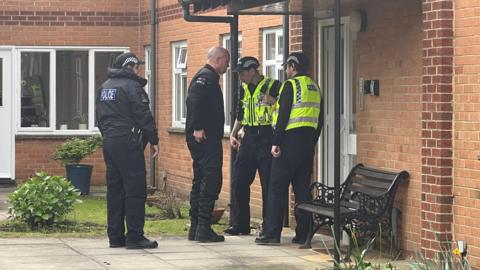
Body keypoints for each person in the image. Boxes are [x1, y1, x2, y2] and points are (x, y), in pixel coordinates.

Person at [255, 52, 323, 245]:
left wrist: (276, 142)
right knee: (302, 190)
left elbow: (283, 115)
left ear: (293, 66)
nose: (286, 70)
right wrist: (312, 141)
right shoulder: (315, 87)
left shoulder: (290, 85)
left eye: (287, 66)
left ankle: (271, 234)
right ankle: (303, 233)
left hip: (287, 144)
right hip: (307, 145)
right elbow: (320, 120)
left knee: (277, 188)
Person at [96, 52, 159, 249]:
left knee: (115, 189)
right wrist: (153, 139)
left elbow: (99, 117)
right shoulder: (133, 87)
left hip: (109, 141)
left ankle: (115, 236)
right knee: (135, 189)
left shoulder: (105, 87)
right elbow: (143, 115)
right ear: (130, 67)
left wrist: (109, 135)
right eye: (136, 66)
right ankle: (135, 236)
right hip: (128, 141)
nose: (138, 69)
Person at [224, 56, 280, 236]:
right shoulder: (242, 90)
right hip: (248, 138)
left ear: (252, 70)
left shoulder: (274, 85)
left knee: (268, 184)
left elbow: (285, 108)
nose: (239, 76)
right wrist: (233, 134)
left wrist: (273, 101)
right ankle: (240, 224)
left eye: (242, 72)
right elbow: (241, 115)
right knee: (239, 180)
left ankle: (268, 226)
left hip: (266, 137)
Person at [185, 47, 230, 242]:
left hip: (205, 137)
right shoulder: (206, 77)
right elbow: (193, 100)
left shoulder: (207, 76)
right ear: (219, 60)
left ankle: (196, 227)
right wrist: (197, 127)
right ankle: (202, 228)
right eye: (226, 62)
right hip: (204, 138)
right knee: (211, 180)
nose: (228, 66)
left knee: (201, 180)